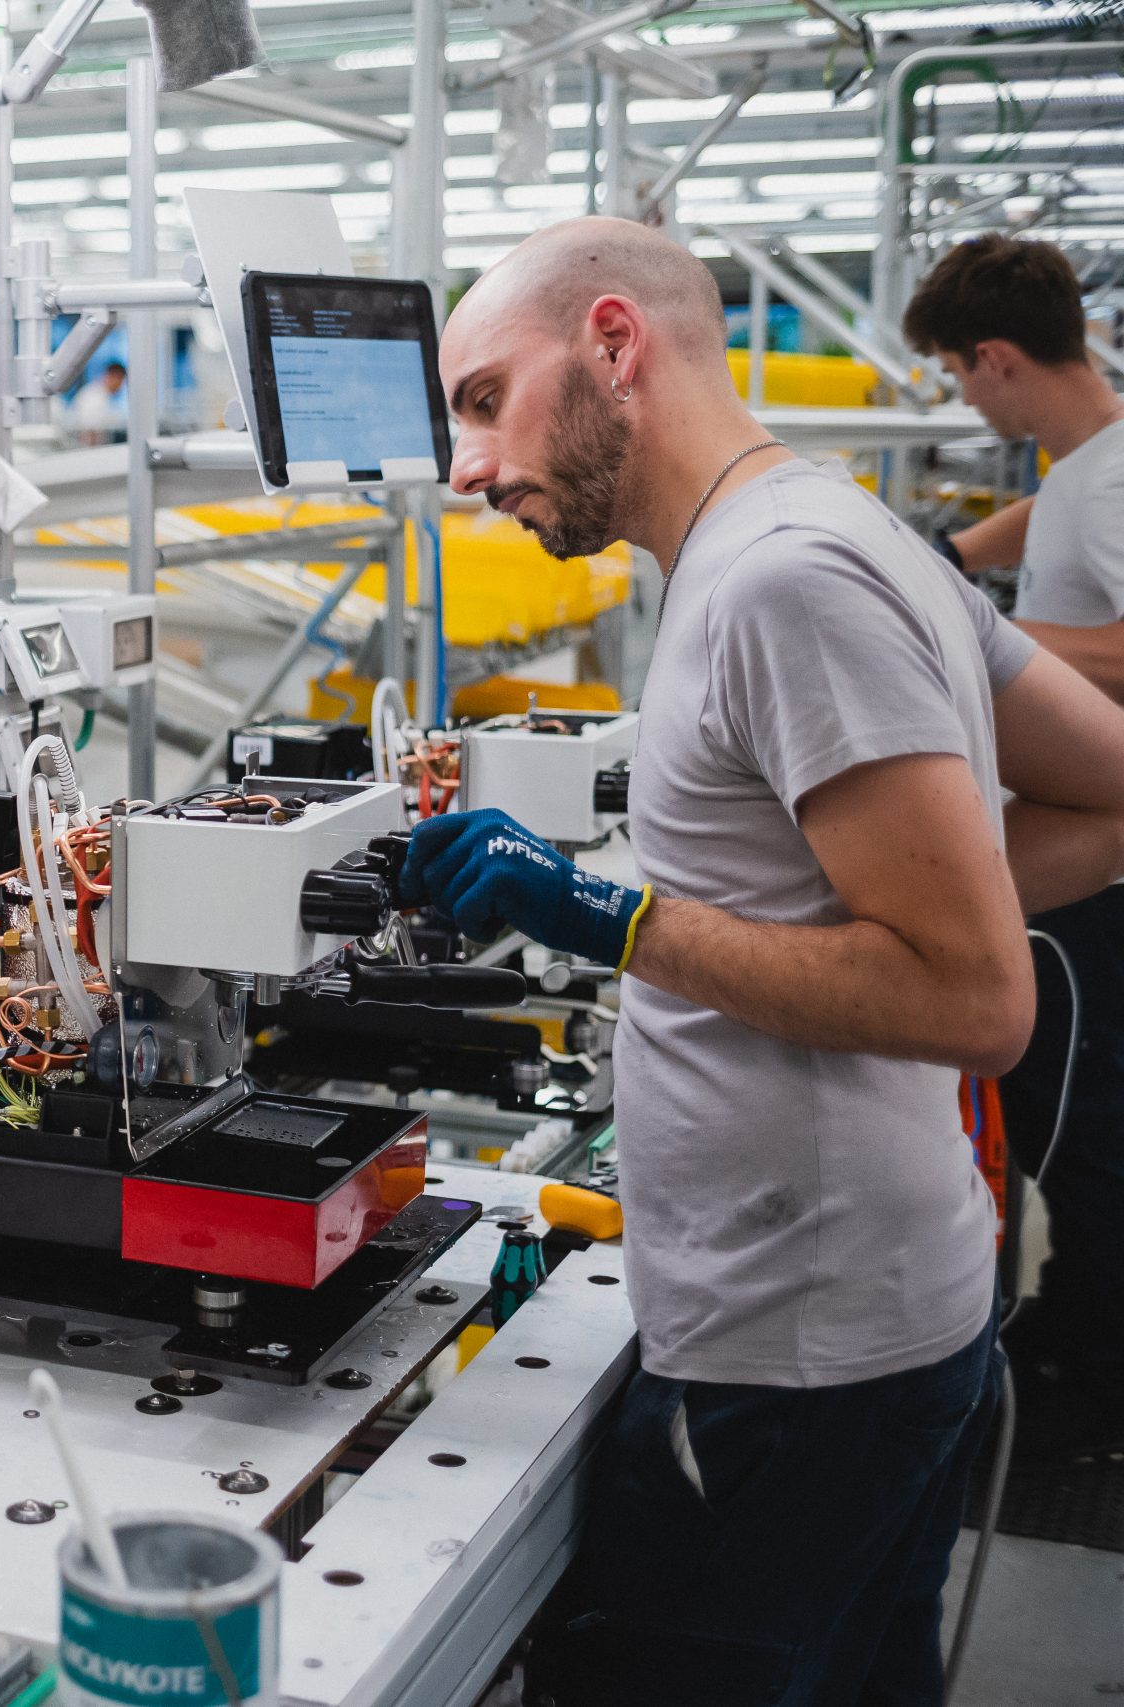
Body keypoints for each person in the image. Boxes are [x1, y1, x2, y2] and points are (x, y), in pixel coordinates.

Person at [402, 216, 1124, 1704]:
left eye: (483, 399)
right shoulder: (841, 533)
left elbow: (980, 1002)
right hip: (883, 1320)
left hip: (790, 1364)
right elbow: (1108, 787)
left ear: (614, 344)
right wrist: (915, 897)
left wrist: (615, 919)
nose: (467, 467)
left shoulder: (782, 582)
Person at [904, 233, 1124, 1461]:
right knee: (1060, 1122)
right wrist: (950, 559)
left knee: (1085, 1140)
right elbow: (1066, 501)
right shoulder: (1096, 454)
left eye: (956, 375)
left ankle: (1095, 1394)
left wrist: (980, 638)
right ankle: (1069, 1331)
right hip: (1077, 854)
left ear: (993, 359)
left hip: (1100, 875)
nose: (962, 399)